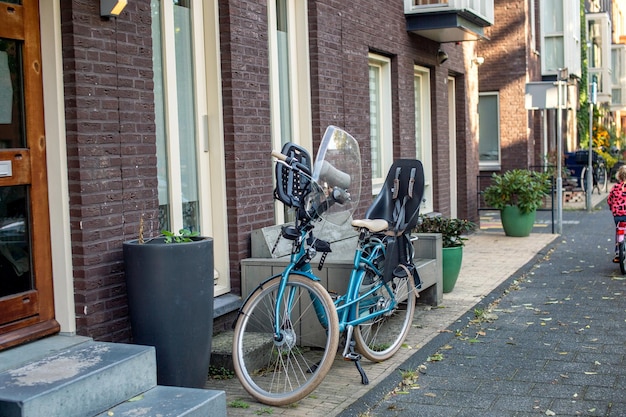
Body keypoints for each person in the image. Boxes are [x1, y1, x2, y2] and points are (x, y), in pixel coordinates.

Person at [607, 165, 626, 262]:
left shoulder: (615, 188)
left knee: (619, 230)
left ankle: (618, 252)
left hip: (618, 216)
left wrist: (613, 209)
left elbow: (609, 200)